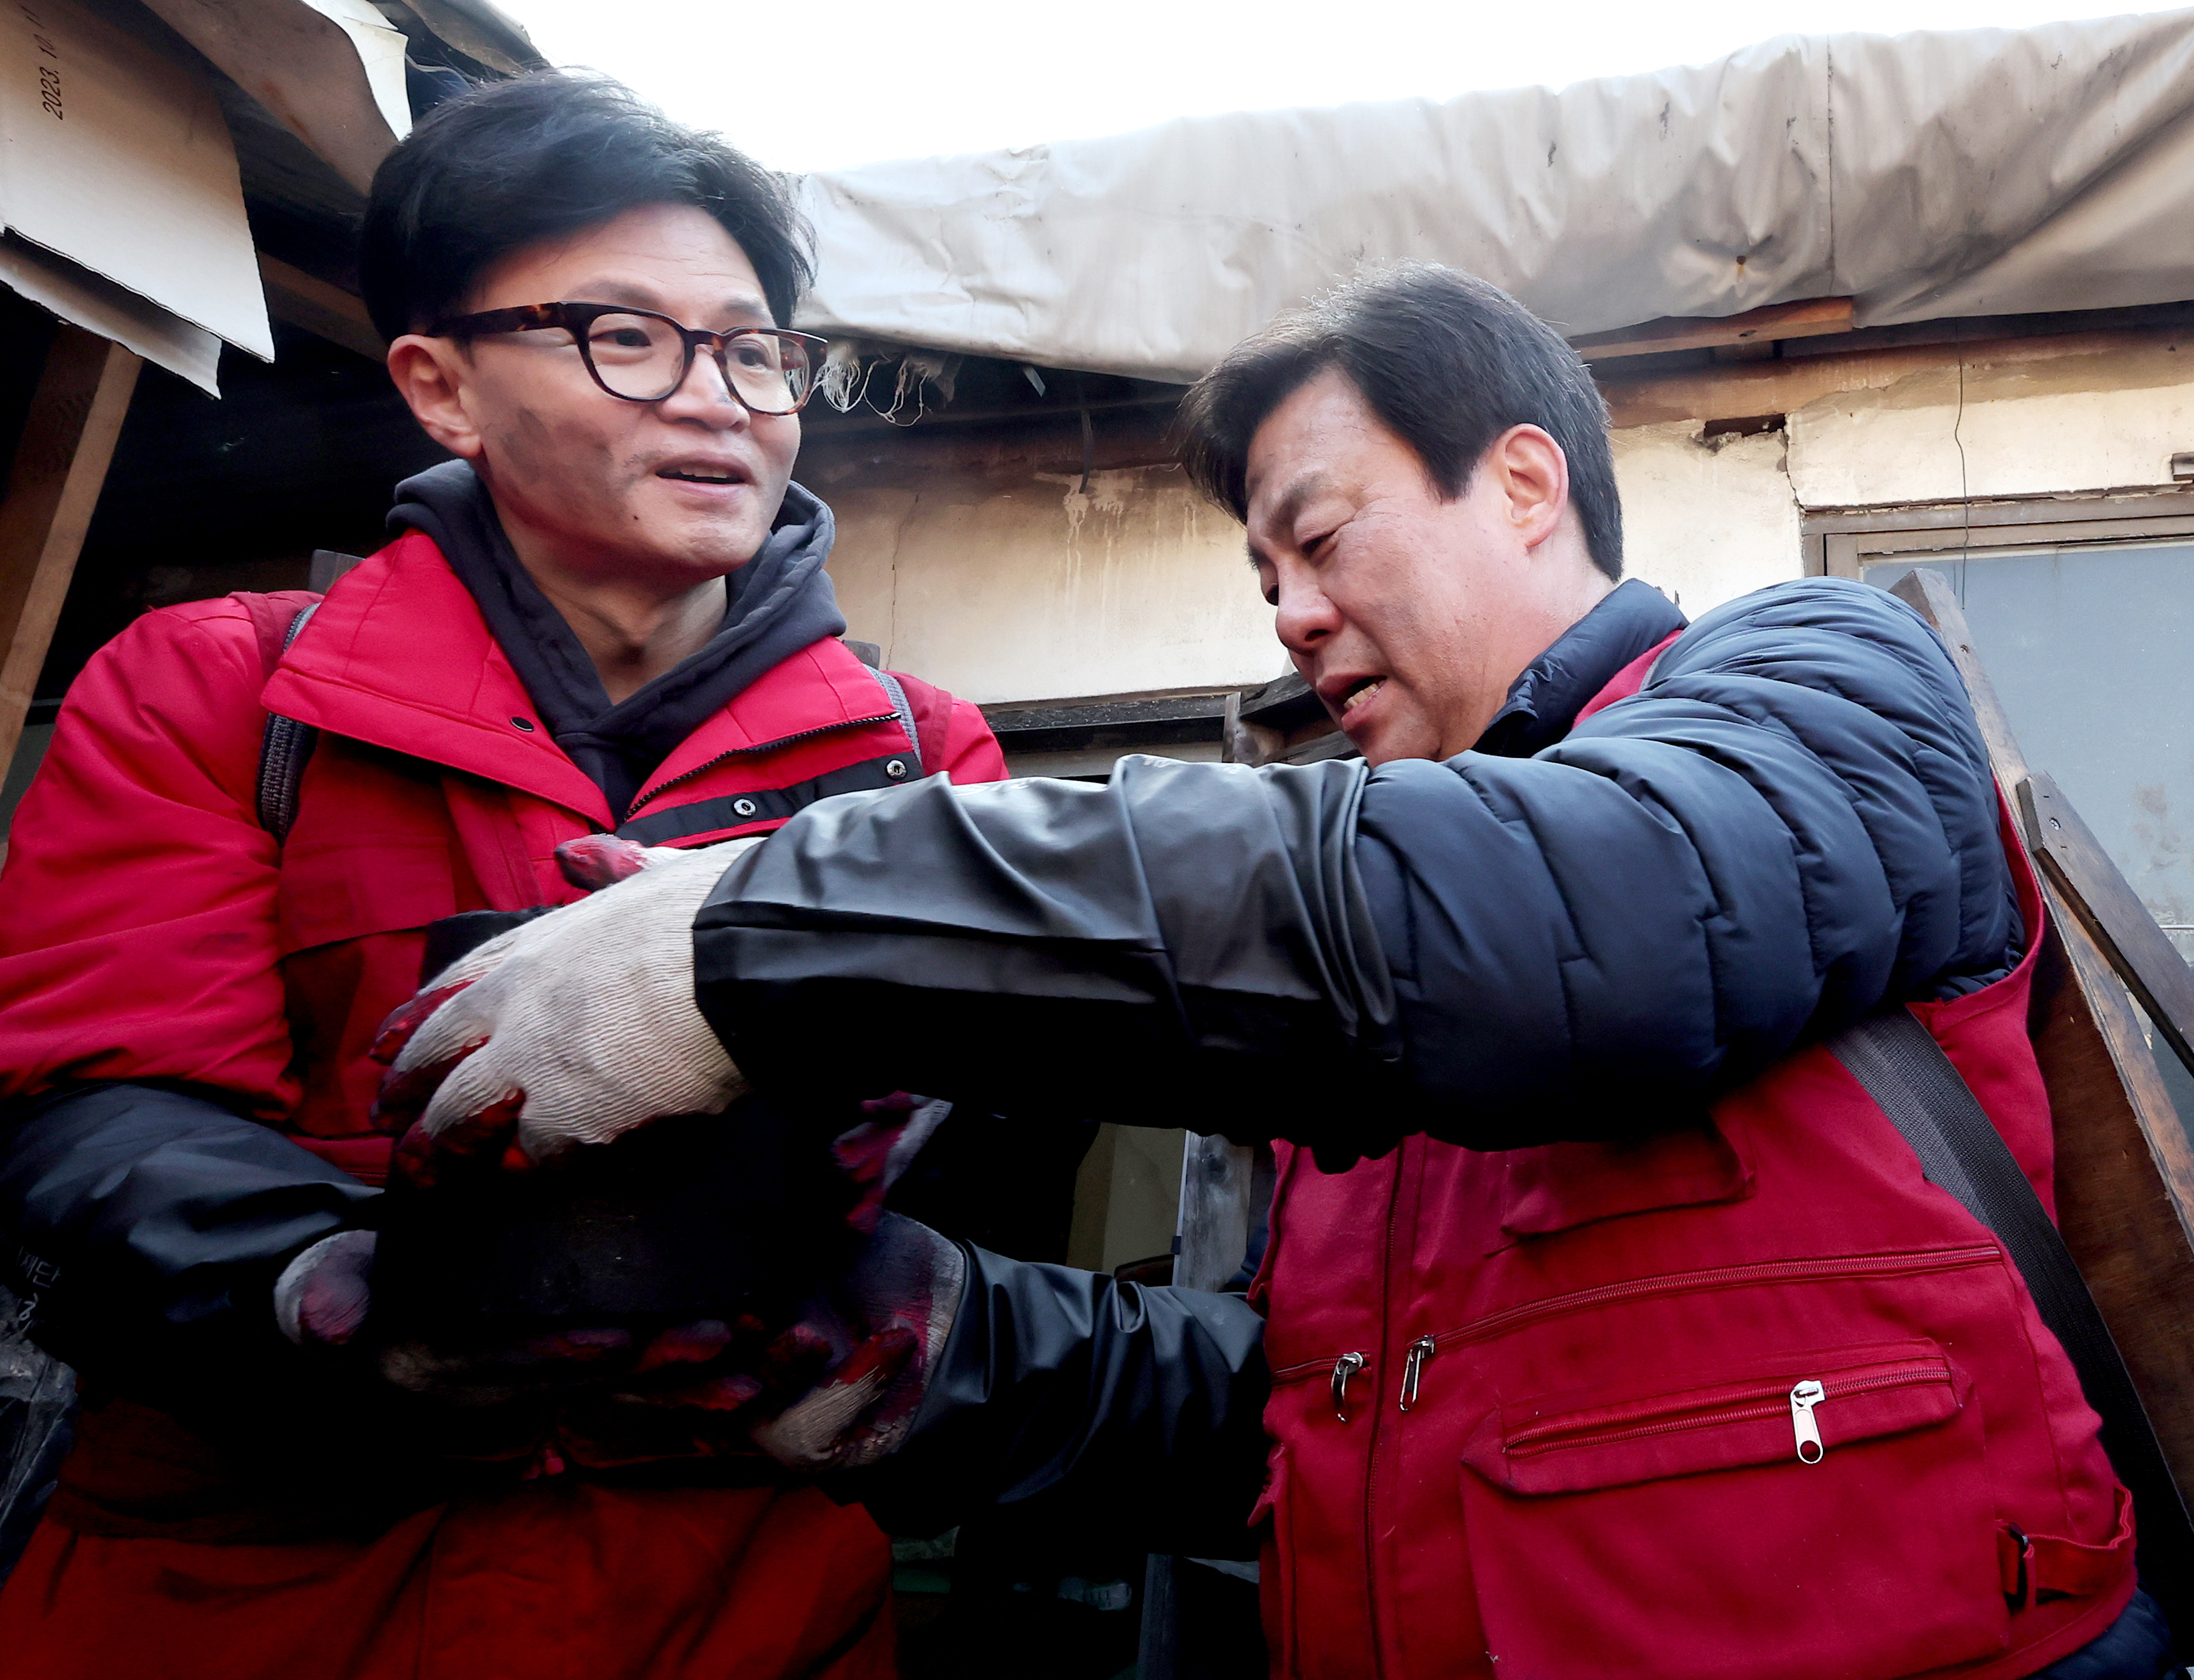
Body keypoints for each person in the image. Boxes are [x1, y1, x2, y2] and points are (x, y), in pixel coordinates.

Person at [377, 263, 2172, 1679]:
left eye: (1319, 539)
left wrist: (781, 916)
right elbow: (1314, 1408)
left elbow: (1585, 922)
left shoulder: (1813, 682)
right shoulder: (1354, 914)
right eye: (1262, 578)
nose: (1290, 612)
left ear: (1525, 484)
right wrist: (888, 1342)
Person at [0, 71, 1006, 1680]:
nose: (719, 397)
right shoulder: (219, 695)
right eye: (625, 335)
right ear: (440, 388)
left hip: (730, 1598)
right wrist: (334, 1301)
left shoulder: (919, 760)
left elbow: (958, 1151)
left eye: (757, 346)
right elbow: (72, 1104)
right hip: (251, 1592)